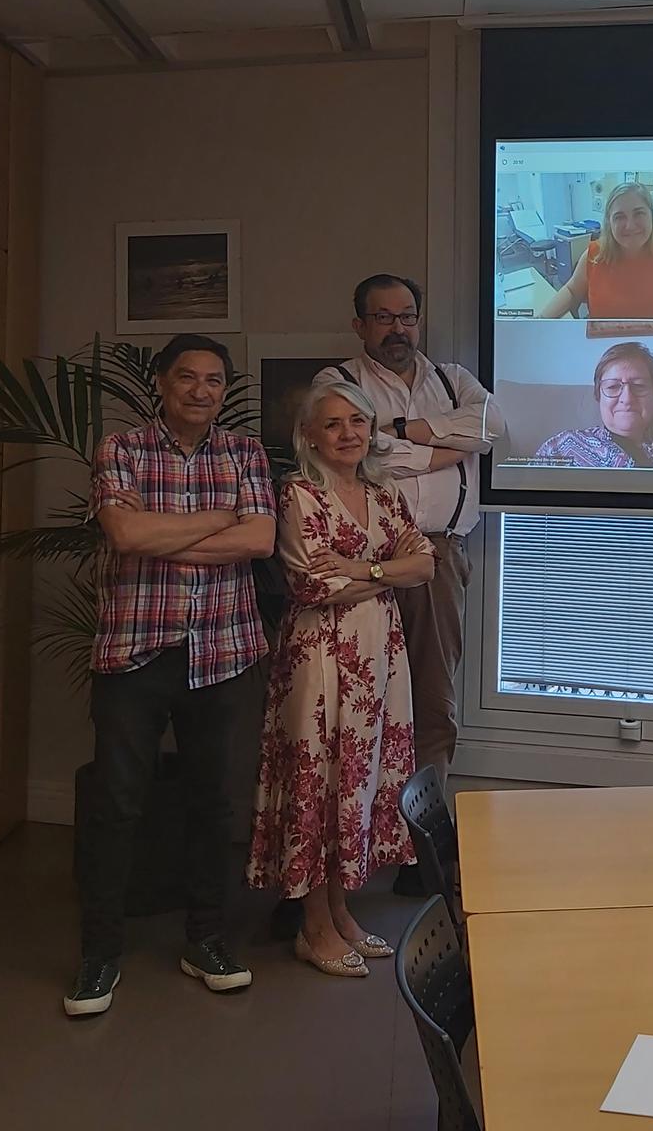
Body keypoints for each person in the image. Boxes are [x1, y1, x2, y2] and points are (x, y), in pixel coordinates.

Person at [69, 335, 277, 1018]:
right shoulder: (121, 450)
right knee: (117, 805)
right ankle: (100, 955)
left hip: (225, 654)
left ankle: (207, 940)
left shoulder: (245, 452)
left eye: (214, 380)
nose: (201, 390)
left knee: (217, 806)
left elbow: (261, 541)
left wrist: (172, 531)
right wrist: (220, 517)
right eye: (186, 377)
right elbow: (126, 538)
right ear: (160, 382)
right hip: (137, 653)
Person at [314, 274, 502, 894]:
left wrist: (412, 432)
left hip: (438, 560)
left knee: (431, 698)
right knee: (352, 703)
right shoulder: (335, 384)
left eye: (407, 316)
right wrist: (446, 445)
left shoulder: (450, 380)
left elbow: (494, 427)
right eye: (383, 317)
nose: (398, 328)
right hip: (359, 561)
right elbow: (366, 459)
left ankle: (419, 844)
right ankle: (343, 853)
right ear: (360, 324)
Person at [248, 382, 433, 976]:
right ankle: (313, 925)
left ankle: (341, 910)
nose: (349, 433)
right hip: (319, 656)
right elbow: (310, 588)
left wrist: (359, 568)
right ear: (309, 436)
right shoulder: (297, 495)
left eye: (358, 420)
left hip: (379, 655)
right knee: (318, 777)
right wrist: (388, 573)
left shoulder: (385, 493)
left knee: (357, 779)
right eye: (333, 424)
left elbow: (425, 563)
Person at [533, 341, 653, 469]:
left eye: (638, 386)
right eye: (613, 387)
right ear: (598, 395)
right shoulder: (561, 447)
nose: (627, 398)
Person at [539, 182, 653, 320]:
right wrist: (541, 320)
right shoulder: (595, 254)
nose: (630, 226)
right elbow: (572, 291)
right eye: (619, 217)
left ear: (651, 216)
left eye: (639, 213)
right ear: (609, 222)